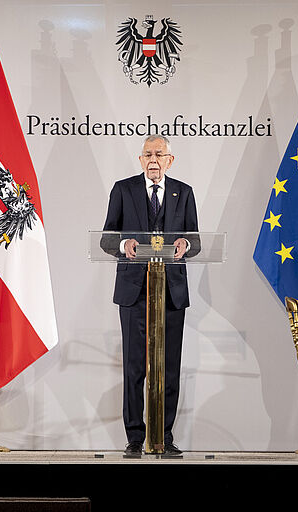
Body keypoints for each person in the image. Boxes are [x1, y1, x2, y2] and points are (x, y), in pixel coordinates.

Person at [101, 134, 199, 456]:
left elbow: (194, 240)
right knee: (134, 368)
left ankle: (163, 437)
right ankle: (134, 439)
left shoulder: (183, 193)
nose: (153, 159)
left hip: (171, 292)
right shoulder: (123, 190)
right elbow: (106, 238)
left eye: (159, 154)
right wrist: (122, 245)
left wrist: (186, 245)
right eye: (147, 154)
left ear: (170, 160)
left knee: (169, 369)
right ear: (140, 160)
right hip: (134, 293)